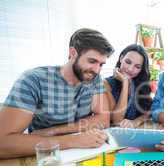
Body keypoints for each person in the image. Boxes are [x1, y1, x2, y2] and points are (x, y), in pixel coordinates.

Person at [0, 28, 114, 158]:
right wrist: (73, 141)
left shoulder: (94, 78)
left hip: (83, 153)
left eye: (101, 64)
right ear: (73, 53)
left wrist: (53, 131)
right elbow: (3, 143)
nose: (97, 70)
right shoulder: (33, 80)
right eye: (92, 61)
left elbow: (103, 120)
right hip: (44, 159)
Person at [104, 44, 152, 128]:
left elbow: (149, 111)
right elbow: (117, 121)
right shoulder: (106, 84)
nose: (130, 69)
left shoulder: (139, 83)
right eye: (128, 62)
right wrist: (125, 83)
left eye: (137, 67)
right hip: (113, 135)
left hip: (134, 133)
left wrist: (135, 122)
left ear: (141, 69)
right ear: (121, 58)